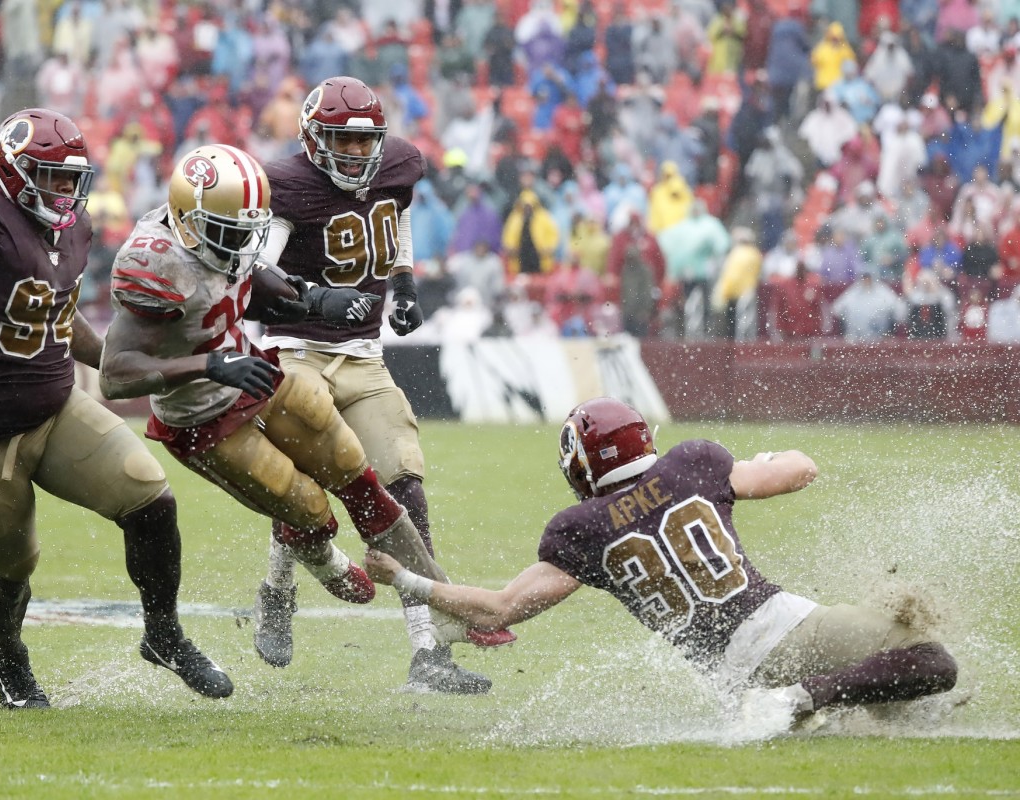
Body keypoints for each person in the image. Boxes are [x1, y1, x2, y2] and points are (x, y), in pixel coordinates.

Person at [0, 109, 231, 709]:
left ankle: (164, 635)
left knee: (151, 500)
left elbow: (56, 313)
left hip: (55, 406)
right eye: (49, 177)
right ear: (13, 172)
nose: (63, 191)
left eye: (69, 178)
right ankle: (6, 649)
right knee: (10, 572)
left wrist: (112, 359)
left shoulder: (73, 227)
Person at [98, 142, 494, 692]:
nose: (241, 243)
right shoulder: (155, 261)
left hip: (252, 375)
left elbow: (247, 283)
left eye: (247, 229)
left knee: (357, 468)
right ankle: (316, 570)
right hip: (202, 419)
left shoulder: (223, 234)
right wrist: (210, 364)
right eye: (227, 230)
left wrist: (313, 297)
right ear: (189, 221)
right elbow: (116, 375)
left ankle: (450, 607)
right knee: (306, 501)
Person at [365, 398, 959, 739]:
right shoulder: (693, 463)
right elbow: (801, 470)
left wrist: (408, 580)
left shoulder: (581, 529)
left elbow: (498, 608)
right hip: (786, 631)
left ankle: (793, 701)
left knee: (906, 707)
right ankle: (796, 700)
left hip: (731, 676)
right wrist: (762, 458)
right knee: (933, 663)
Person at [252, 76, 515, 694]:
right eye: (341, 142)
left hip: (364, 356)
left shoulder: (395, 167)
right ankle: (278, 589)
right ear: (314, 140)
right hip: (295, 351)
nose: (354, 154)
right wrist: (317, 296)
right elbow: (255, 273)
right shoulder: (287, 186)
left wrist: (405, 284)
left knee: (405, 488)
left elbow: (392, 220)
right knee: (306, 480)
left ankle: (429, 655)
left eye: (363, 141)